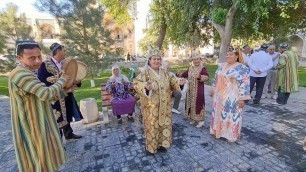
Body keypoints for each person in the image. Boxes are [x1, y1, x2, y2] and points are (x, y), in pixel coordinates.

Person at [9, 41, 68, 171]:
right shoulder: (20, 74)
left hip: (38, 121)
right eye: (32, 58)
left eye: (39, 56)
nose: (37, 61)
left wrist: (64, 90)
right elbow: (45, 93)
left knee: (44, 158)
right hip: (32, 125)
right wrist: (63, 80)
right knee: (39, 161)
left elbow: (39, 94)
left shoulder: (28, 71)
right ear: (19, 58)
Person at [133, 48, 182, 154]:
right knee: (152, 127)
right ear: (149, 60)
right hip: (151, 108)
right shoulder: (145, 73)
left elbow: (172, 80)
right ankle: (151, 148)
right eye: (154, 59)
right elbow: (136, 83)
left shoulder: (165, 72)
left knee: (163, 125)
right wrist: (146, 86)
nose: (157, 61)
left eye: (158, 59)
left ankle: (160, 145)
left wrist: (179, 82)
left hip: (165, 106)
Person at [38, 42, 83, 140]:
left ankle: (69, 134)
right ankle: (58, 142)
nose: (65, 52)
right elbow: (41, 79)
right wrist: (60, 79)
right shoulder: (45, 64)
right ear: (58, 51)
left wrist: (77, 81)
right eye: (63, 50)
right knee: (57, 118)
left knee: (67, 115)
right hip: (56, 97)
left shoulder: (65, 63)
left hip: (67, 95)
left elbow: (72, 76)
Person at [209, 47, 251, 142]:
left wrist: (242, 98)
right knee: (218, 114)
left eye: (231, 54)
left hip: (232, 97)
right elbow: (215, 78)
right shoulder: (222, 65)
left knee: (231, 116)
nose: (228, 56)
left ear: (237, 56)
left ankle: (231, 135)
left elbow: (245, 84)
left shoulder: (242, 68)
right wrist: (212, 88)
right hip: (219, 96)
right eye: (227, 54)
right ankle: (217, 131)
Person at [180, 51, 209, 128]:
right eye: (194, 59)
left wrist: (199, 76)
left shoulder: (203, 68)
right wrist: (179, 74)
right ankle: (193, 118)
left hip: (198, 91)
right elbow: (184, 74)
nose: (196, 61)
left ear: (200, 59)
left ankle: (201, 120)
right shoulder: (190, 68)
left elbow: (206, 77)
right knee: (191, 104)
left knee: (198, 104)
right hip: (190, 91)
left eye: (197, 59)